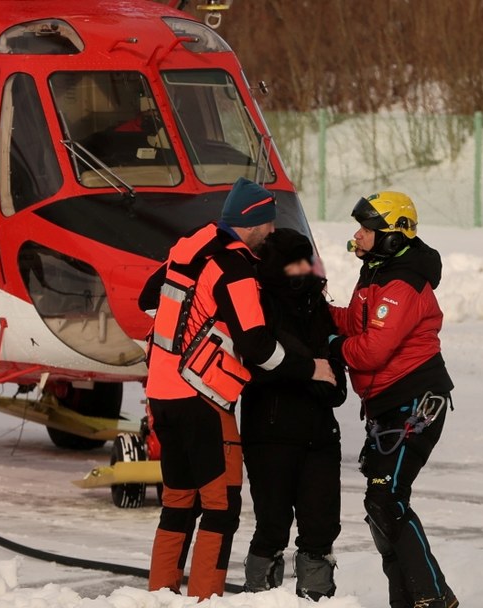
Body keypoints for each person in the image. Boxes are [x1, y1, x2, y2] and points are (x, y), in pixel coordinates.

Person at [138, 177, 336, 599]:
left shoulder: (189, 247)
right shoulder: (236, 269)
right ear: (252, 223)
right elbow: (259, 348)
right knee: (220, 507)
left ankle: (160, 595)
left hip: (161, 391)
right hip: (202, 396)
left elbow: (146, 299)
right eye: (267, 225)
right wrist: (311, 369)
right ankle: (206, 596)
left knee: (178, 502)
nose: (270, 233)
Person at [328, 192, 459, 608]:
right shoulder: (376, 272)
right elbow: (354, 321)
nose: (357, 236)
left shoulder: (401, 282)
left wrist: (331, 347)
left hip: (416, 401)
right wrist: (312, 305)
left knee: (387, 497)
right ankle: (410, 597)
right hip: (388, 404)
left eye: (366, 230)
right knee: (380, 502)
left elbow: (371, 350)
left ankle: (432, 597)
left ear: (391, 235)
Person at [240, 228, 347, 600]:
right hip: (270, 432)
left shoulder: (317, 307)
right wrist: (306, 372)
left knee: (320, 528)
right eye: (296, 262)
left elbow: (335, 375)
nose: (307, 269)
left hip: (319, 436)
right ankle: (260, 597)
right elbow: (255, 362)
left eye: (309, 260)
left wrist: (331, 382)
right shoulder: (258, 305)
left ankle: (317, 598)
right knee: (272, 527)